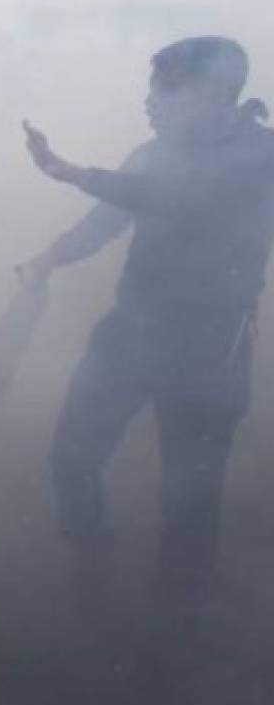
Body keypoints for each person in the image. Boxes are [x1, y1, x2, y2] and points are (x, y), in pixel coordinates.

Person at [19, 36, 274, 596]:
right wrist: (50, 256)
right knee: (71, 455)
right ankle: (90, 570)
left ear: (212, 94)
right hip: (132, 330)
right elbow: (111, 216)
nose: (150, 102)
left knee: (190, 497)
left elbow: (182, 198)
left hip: (211, 349)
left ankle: (174, 633)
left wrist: (73, 171)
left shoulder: (262, 157)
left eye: (166, 89)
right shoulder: (154, 151)